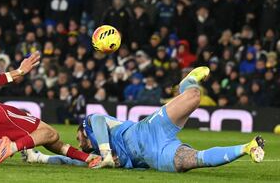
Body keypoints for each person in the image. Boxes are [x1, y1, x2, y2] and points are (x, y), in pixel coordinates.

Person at [22, 66, 265, 172]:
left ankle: (186, 81)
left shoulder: (92, 127)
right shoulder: (92, 156)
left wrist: (106, 152)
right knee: (192, 162)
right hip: (154, 153)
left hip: (148, 128)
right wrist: (39, 157)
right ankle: (247, 147)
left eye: (78, 138)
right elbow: (68, 161)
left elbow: (98, 119)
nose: (79, 142)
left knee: (193, 95)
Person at [0, 22, 100, 166]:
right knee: (51, 133)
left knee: (41, 135)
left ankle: (87, 158)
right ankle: (11, 147)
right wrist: (20, 71)